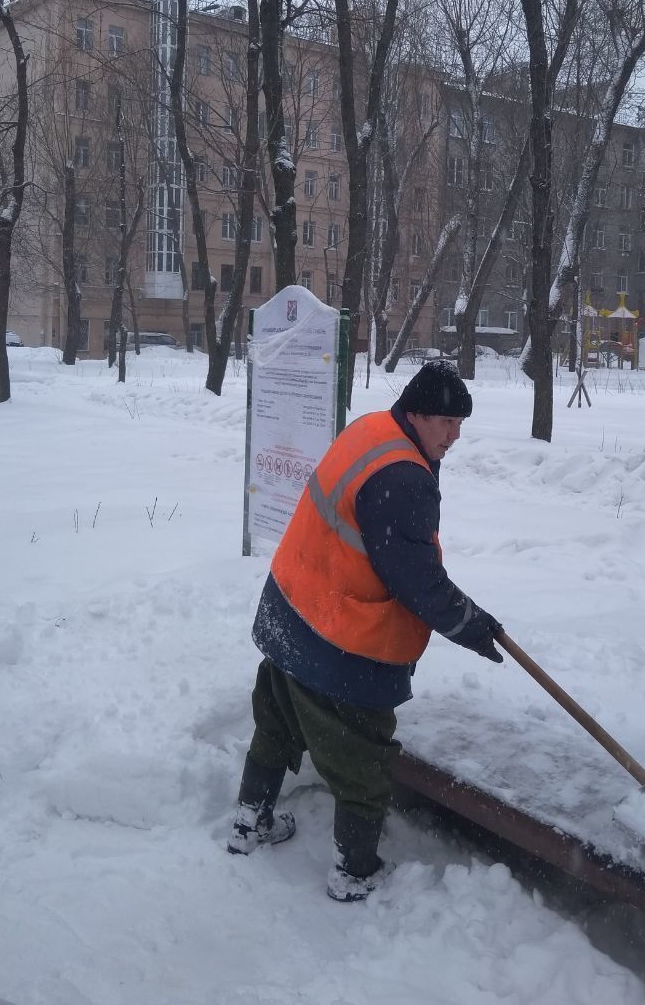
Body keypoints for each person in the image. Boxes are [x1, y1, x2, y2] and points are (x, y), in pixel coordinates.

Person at [228, 360, 503, 901]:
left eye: (461, 424)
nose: (455, 435)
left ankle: (248, 821)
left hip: (291, 609)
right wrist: (472, 625)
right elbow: (417, 580)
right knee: (363, 759)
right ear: (419, 414)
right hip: (341, 642)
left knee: (278, 720)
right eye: (447, 422)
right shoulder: (402, 477)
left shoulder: (373, 429)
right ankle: (354, 871)